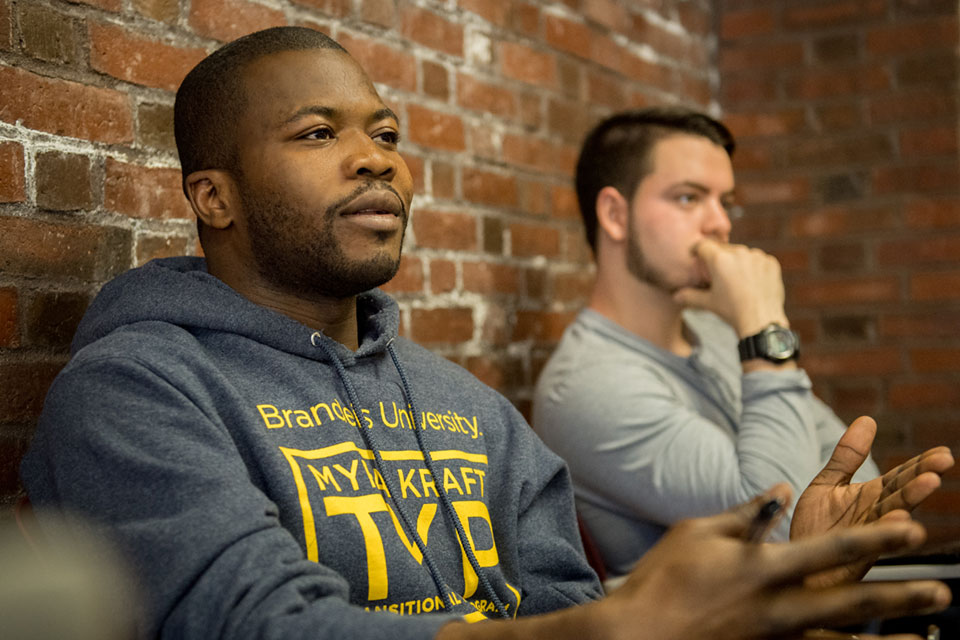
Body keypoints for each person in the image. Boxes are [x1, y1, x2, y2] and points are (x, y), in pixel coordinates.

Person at [19, 27, 954, 640]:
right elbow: (254, 624)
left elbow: (569, 616)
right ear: (210, 196)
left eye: (385, 131)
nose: (375, 156)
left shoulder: (470, 411)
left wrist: (786, 594)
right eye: (316, 134)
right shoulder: (136, 390)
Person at [532, 108, 884, 577]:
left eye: (725, 201)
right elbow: (789, 531)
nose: (720, 223)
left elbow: (863, 473)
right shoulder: (588, 386)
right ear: (615, 215)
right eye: (688, 198)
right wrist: (761, 323)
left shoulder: (719, 335)